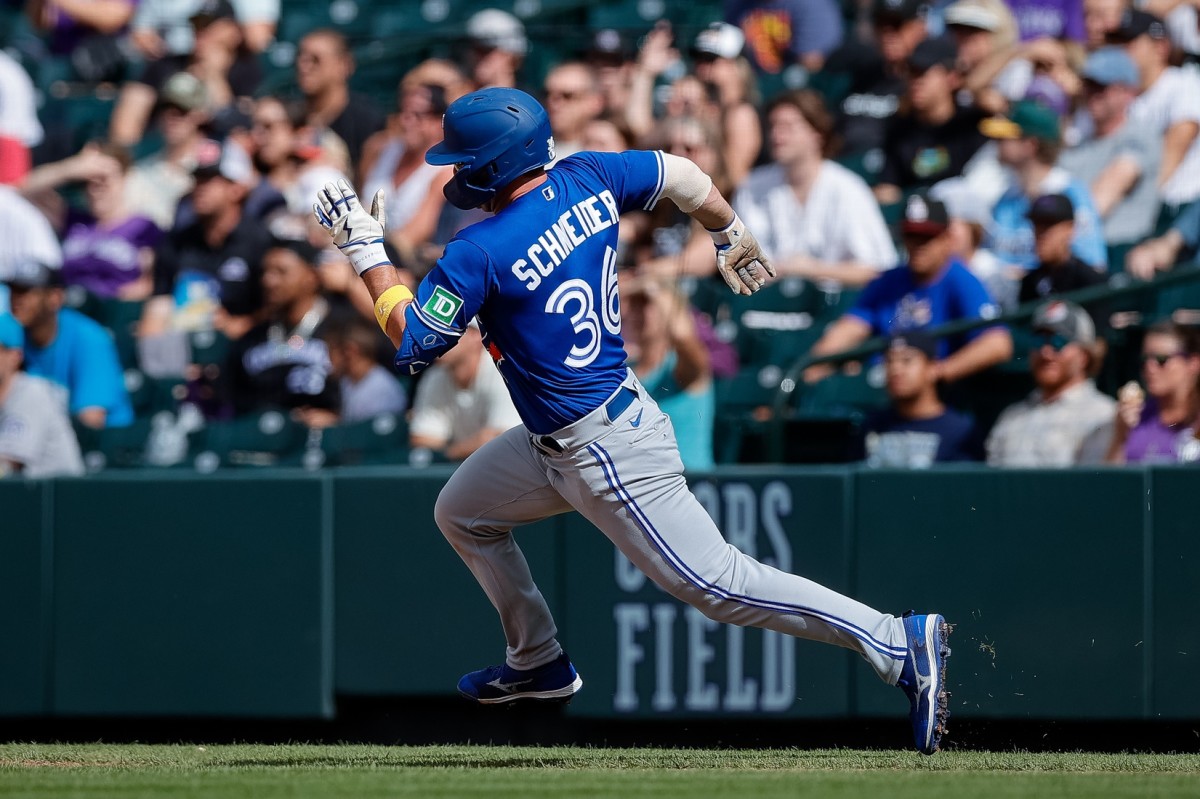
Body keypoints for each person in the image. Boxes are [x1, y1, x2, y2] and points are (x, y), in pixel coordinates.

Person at [313, 87, 951, 755]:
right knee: (462, 511)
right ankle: (537, 658)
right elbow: (686, 175)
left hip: (602, 443)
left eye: (464, 158)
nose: (454, 170)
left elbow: (415, 340)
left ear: (494, 163)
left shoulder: (482, 245)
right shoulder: (589, 174)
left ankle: (895, 641)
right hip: (567, 431)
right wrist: (727, 228)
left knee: (718, 583)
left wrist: (364, 251)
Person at [804, 192, 1013, 384]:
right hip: (882, 385)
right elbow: (848, 330)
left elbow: (997, 344)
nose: (918, 245)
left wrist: (937, 373)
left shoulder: (960, 279)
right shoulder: (889, 280)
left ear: (946, 239)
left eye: (927, 237)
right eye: (912, 236)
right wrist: (811, 370)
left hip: (932, 398)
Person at [733, 90, 898, 288]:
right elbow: (736, 260)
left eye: (788, 127)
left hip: (834, 308)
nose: (777, 135)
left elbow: (877, 270)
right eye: (773, 126)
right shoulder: (752, 187)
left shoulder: (848, 189)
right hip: (763, 308)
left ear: (817, 133)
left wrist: (812, 270)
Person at [221, 237, 346, 422]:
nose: (268, 281)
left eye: (281, 272)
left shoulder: (342, 330)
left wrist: (338, 418)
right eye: (266, 272)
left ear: (311, 276)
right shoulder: (250, 339)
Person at [20, 142, 163, 301]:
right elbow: (24, 189)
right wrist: (71, 168)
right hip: (67, 308)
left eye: (103, 179)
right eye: (88, 182)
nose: (95, 189)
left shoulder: (143, 227)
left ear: (124, 178)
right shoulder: (75, 221)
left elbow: (149, 284)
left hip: (110, 313)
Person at [980, 99, 1108, 272]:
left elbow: (1093, 263)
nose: (996, 143)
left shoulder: (1070, 192)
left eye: (1005, 137)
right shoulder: (1006, 197)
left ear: (1030, 145)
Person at [4, 261, 133, 429]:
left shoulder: (89, 338)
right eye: (14, 291)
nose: (17, 300)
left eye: (27, 292)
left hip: (102, 445)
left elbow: (91, 420)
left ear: (55, 298)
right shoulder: (9, 332)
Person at [986, 300, 1115, 466]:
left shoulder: (1103, 415)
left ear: (1084, 355)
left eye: (1058, 342)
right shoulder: (1011, 417)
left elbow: (1097, 486)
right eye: (1039, 341)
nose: (1046, 352)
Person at [1058, 46, 1161, 252]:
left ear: (1128, 92)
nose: (1093, 94)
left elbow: (1094, 207)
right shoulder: (1077, 146)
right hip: (1077, 253)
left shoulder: (1138, 138)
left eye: (1102, 87)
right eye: (1089, 85)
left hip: (1119, 252)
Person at [875, 36, 988, 204]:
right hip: (912, 218)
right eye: (912, 71)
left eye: (923, 72)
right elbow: (889, 188)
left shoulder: (973, 125)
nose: (916, 81)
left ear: (952, 78)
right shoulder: (899, 127)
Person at [619, 271, 714, 472]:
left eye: (646, 303)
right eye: (633, 304)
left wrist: (651, 285)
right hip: (641, 485)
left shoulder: (679, 367)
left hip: (689, 484)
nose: (636, 312)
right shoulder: (625, 370)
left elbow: (681, 334)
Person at [859, 330, 983, 467]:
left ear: (933, 368)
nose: (896, 369)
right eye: (889, 361)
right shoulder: (872, 425)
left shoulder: (960, 430)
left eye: (907, 360)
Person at [407, 323, 523, 461]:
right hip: (472, 470)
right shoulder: (435, 376)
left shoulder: (502, 369)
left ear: (476, 336)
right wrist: (464, 449)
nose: (434, 338)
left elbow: (501, 439)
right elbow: (423, 438)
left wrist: (450, 452)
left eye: (446, 331)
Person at [0, 311, 85, 478]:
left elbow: (8, 464)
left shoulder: (32, 392)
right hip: (27, 498)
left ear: (15, 356)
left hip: (64, 498)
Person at [1105, 320, 1200, 463]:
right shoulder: (1135, 418)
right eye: (1144, 359)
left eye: (1161, 359)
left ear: (1193, 363)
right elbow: (1111, 481)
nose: (1150, 367)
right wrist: (1120, 437)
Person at [295, 29, 386, 169]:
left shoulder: (366, 120)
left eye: (315, 60)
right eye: (300, 57)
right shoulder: (292, 117)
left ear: (344, 65)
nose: (303, 66)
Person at [1018, 194, 1107, 307]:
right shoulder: (1029, 284)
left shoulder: (1090, 281)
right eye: (1036, 225)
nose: (1041, 234)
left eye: (1048, 226)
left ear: (1070, 228)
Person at [324, 317, 408, 423]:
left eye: (331, 351)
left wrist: (334, 423)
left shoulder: (381, 390)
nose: (327, 359)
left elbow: (373, 436)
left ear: (351, 351)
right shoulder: (347, 382)